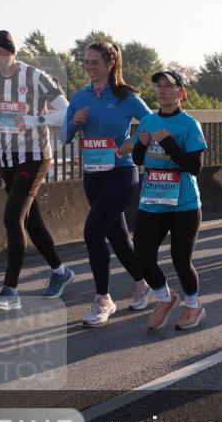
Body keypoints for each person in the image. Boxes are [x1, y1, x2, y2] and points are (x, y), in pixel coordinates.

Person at [0, 30, 74, 312]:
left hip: (35, 155)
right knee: (30, 221)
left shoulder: (35, 76)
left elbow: (66, 111)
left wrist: (34, 120)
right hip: (7, 157)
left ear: (10, 51)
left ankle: (10, 291)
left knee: (12, 217)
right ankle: (61, 271)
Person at [61, 41, 154, 326]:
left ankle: (103, 299)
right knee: (117, 236)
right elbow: (64, 136)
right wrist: (75, 123)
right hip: (93, 174)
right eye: (86, 62)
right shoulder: (79, 98)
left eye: (95, 62)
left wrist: (132, 143)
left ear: (110, 63)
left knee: (92, 231)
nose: (89, 67)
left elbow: (152, 123)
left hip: (122, 172)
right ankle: (143, 283)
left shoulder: (126, 97)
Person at [132, 70, 208, 331]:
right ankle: (165, 298)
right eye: (158, 86)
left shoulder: (189, 124)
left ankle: (193, 305)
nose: (162, 90)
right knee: (142, 255)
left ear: (181, 93)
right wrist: (141, 146)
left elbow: (195, 167)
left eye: (168, 86)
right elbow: (137, 160)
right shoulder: (147, 121)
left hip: (183, 203)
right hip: (152, 198)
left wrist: (170, 144)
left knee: (180, 258)